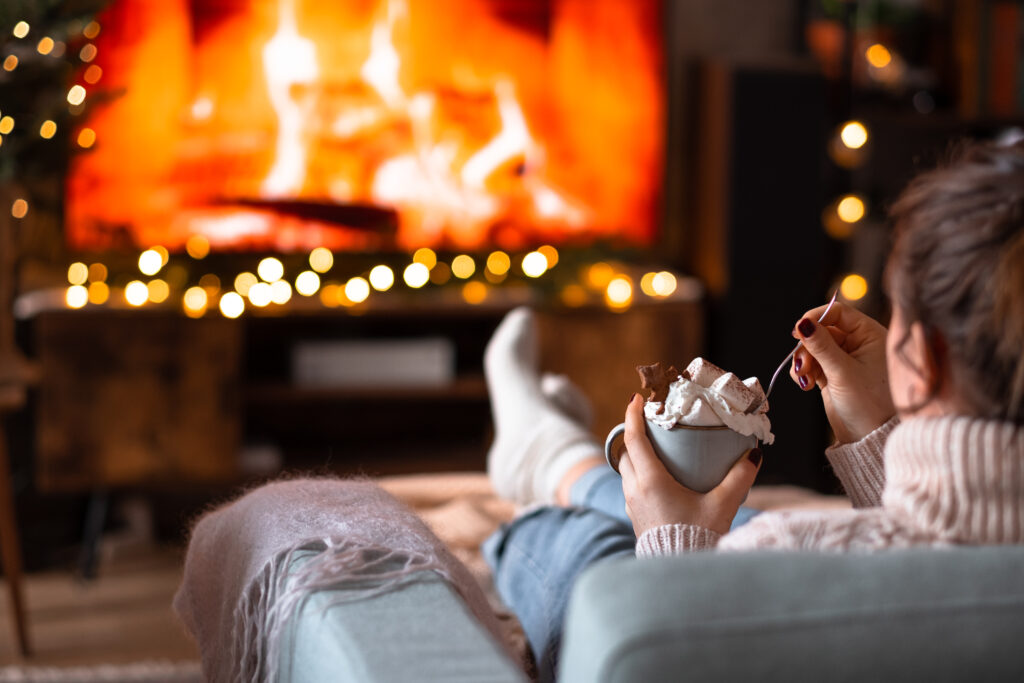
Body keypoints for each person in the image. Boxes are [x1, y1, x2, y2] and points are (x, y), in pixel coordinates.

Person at [482, 138, 1024, 681]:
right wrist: (878, 443)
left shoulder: (780, 554)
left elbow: (656, 655)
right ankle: (556, 460)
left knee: (592, 547)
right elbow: (935, 572)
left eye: (898, 313)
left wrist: (676, 554)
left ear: (926, 355)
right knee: (724, 521)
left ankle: (547, 468)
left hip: (665, 609)